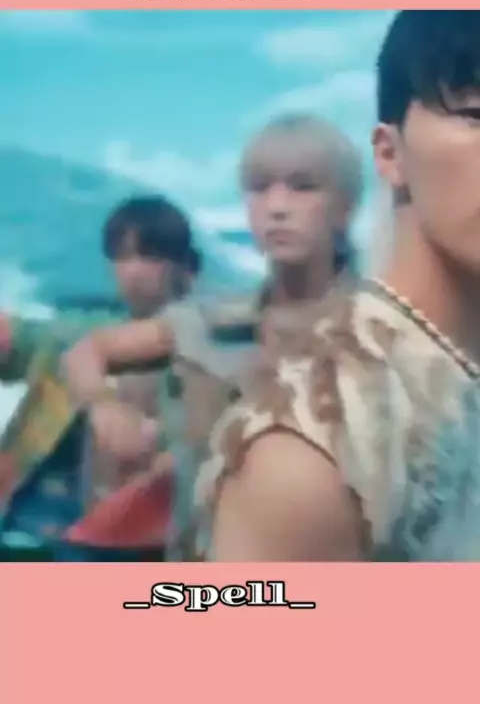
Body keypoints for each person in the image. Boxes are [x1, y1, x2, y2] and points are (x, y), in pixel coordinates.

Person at [196, 9, 480, 562]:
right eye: (476, 115)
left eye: (302, 187)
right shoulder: (311, 457)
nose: (279, 208)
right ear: (391, 154)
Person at [63, 114, 363, 559]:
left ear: (344, 206)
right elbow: (88, 351)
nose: (277, 207)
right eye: (259, 188)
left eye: (303, 187)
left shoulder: (378, 331)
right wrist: (104, 407)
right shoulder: (211, 323)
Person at [0, 195, 199, 557]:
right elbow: (23, 337)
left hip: (129, 543)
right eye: (122, 257)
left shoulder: (211, 354)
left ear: (186, 268)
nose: (133, 271)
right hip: (27, 522)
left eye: (150, 256)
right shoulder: (86, 333)